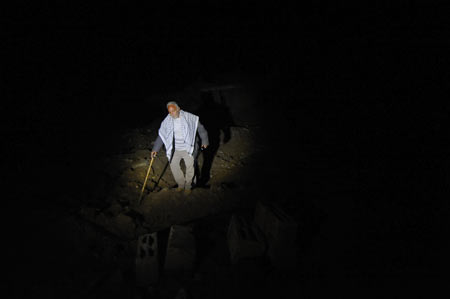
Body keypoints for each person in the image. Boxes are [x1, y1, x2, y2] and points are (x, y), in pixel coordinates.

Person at [151, 101, 209, 194]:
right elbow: (162, 136)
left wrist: (205, 141)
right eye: (169, 112)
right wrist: (155, 149)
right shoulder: (167, 121)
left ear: (178, 109)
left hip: (188, 148)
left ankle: (188, 186)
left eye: (173, 111)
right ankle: (181, 184)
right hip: (176, 149)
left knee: (190, 167)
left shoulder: (190, 118)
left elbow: (201, 129)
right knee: (173, 165)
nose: (171, 113)